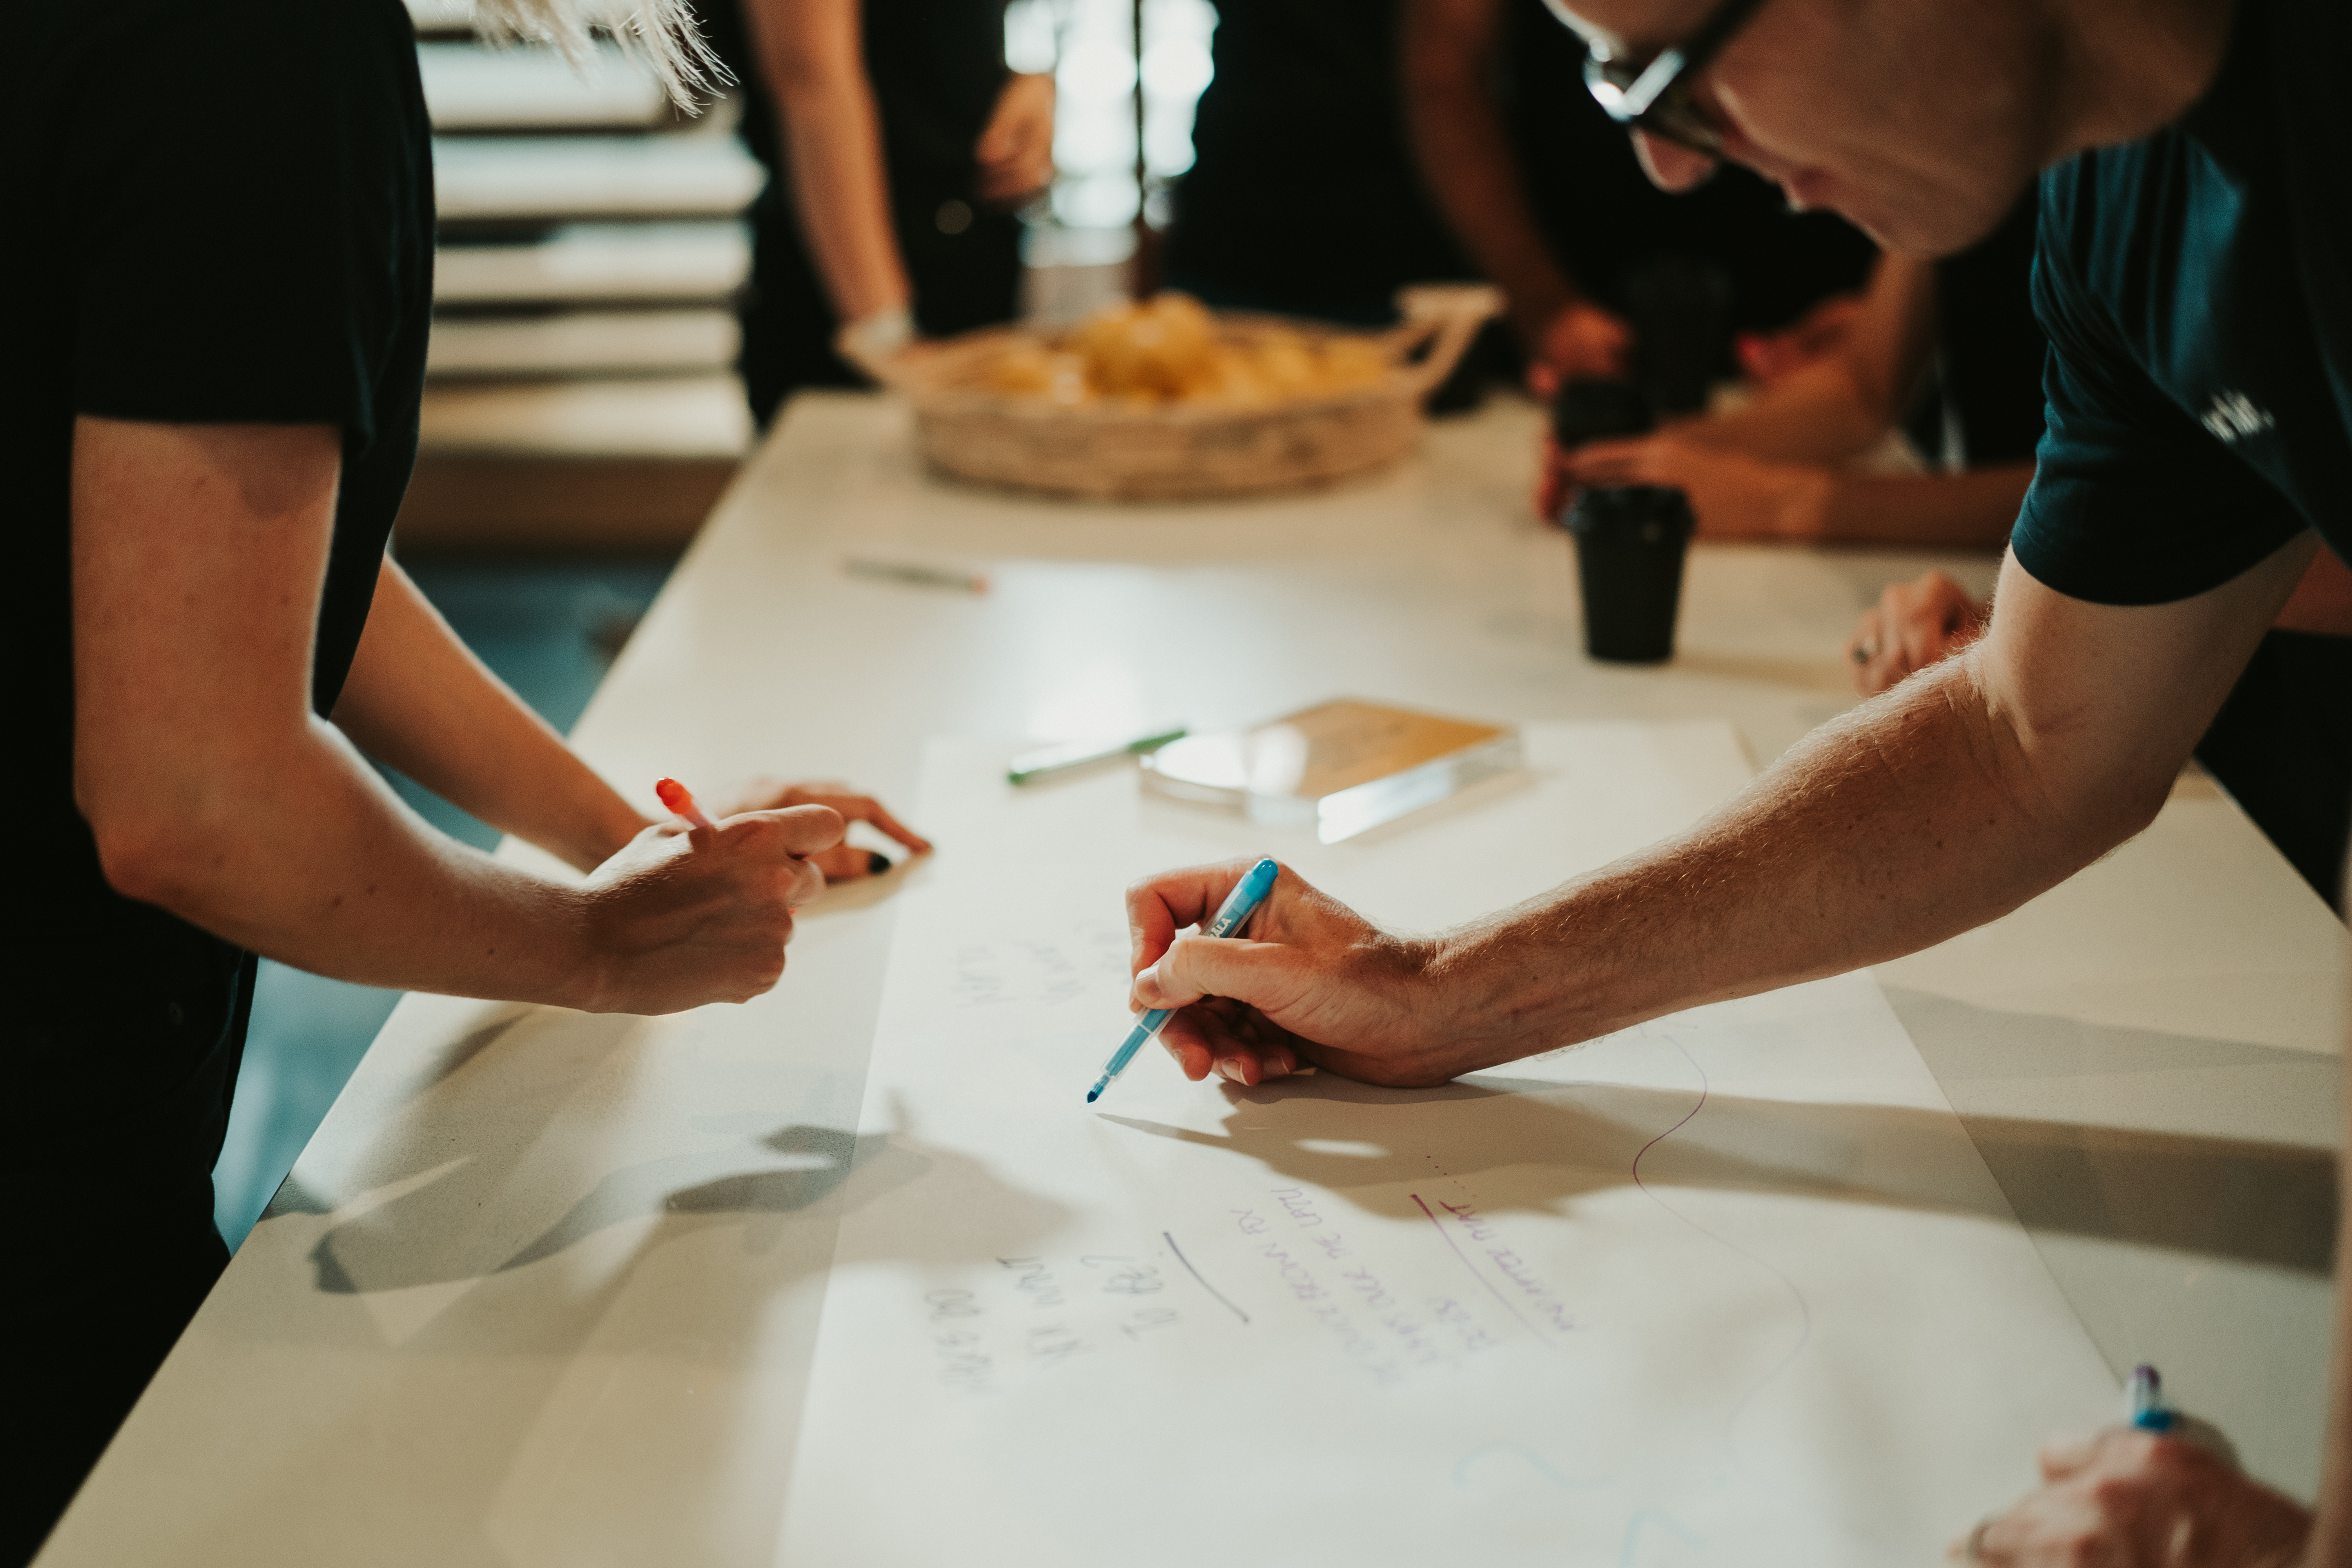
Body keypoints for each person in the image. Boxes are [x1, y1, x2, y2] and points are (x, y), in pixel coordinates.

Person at [1122, 0, 2352, 1559]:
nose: (1666, 166)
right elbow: (2026, 733)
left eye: (1665, 67)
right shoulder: (2120, 187)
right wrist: (1438, 989)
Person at [5, 2, 924, 1560]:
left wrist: (624, 839)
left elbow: (232, 562)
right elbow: (199, 802)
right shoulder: (252, 47)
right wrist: (592, 947)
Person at [1400, 0, 1877, 388]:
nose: (1671, 168)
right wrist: (1546, 307)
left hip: (1827, 294)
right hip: (1597, 307)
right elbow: (1444, 75)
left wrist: (1893, 318)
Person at [1537, 194, 2043, 544]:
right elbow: (1861, 388)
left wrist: (1779, 504)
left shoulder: (2114, 165)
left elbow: (2109, 499)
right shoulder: (1952, 138)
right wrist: (1658, 448)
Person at [699, 0, 1055, 425]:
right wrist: (885, 334)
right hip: (859, 292)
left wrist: (1028, 79)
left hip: (968, 260)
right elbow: (810, 80)